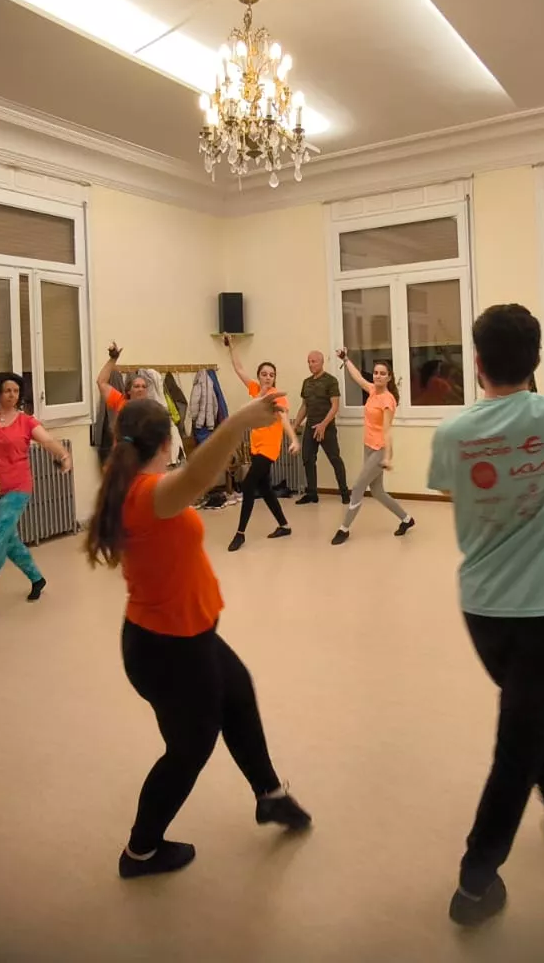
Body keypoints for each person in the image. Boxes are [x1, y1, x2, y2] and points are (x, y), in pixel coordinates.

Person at [426, 274, 544, 927]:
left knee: (523, 718)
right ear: (536, 362)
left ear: (475, 363)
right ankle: (475, 882)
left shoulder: (451, 435)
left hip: (483, 612)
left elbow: (454, 494)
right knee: (518, 742)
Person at [85, 393, 313, 878]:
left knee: (238, 692)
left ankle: (269, 795)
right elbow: (196, 478)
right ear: (165, 442)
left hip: (182, 635)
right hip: (168, 648)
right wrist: (239, 423)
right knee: (189, 750)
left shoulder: (131, 483)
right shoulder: (147, 494)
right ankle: (140, 852)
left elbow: (187, 481)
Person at [0, 331, 72, 628]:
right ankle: (37, 578)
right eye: (7, 390)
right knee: (8, 540)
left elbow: (47, 441)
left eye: (16, 391)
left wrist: (63, 456)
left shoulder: (26, 421)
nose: (12, 395)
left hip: (18, 487)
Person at [223, 333, 298, 553]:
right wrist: (232, 346)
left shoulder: (277, 397)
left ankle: (240, 534)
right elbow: (238, 368)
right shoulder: (256, 390)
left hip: (269, 450)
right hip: (256, 448)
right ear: (259, 376)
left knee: (247, 486)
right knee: (265, 488)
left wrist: (294, 439)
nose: (267, 377)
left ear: (275, 378)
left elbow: (284, 419)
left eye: (271, 375)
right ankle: (284, 525)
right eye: (264, 374)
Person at [330, 351, 414, 544]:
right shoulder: (373, 391)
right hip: (368, 447)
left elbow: (387, 431)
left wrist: (387, 457)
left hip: (379, 450)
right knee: (377, 492)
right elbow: (357, 377)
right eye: (376, 372)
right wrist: (345, 359)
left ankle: (344, 529)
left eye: (382, 373)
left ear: (389, 377)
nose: (377, 376)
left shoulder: (388, 400)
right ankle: (406, 519)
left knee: (358, 486)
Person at [292, 350, 349, 505]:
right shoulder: (306, 382)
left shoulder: (331, 381)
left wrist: (323, 425)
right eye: (309, 362)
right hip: (310, 426)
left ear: (321, 362)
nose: (311, 365)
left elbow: (335, 406)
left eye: (314, 361)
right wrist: (295, 425)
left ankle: (345, 493)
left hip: (327, 427)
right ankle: (312, 494)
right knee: (307, 459)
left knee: (335, 459)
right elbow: (304, 406)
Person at [95, 341, 157, 440]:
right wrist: (113, 359)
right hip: (121, 452)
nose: (140, 389)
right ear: (129, 391)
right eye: (136, 386)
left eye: (143, 386)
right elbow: (101, 382)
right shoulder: (121, 402)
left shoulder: (152, 410)